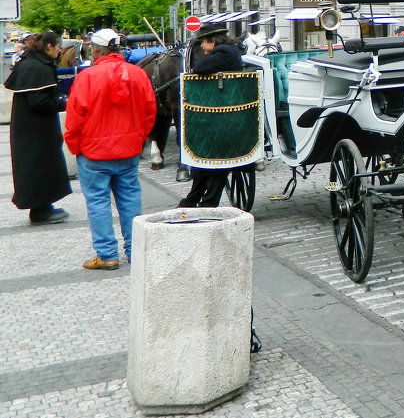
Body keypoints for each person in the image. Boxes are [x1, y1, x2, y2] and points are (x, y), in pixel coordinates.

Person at [64, 28, 156, 269]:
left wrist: (75, 146)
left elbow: (74, 118)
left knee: (97, 202)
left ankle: (107, 255)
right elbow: (149, 112)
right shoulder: (138, 74)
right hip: (128, 149)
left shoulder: (87, 77)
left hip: (93, 151)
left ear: (95, 50)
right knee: (130, 200)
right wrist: (138, 139)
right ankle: (136, 251)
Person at [4, 31, 72, 225]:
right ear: (48, 47)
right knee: (38, 167)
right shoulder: (36, 66)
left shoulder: (33, 62)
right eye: (58, 46)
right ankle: (39, 210)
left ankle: (44, 205)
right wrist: (65, 103)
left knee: (43, 166)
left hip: (34, 128)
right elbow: (39, 101)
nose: (60, 50)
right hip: (35, 130)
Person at [178, 26, 245, 209]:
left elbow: (199, 68)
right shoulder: (228, 51)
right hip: (222, 109)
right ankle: (193, 198)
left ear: (213, 42)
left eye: (203, 43)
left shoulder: (223, 52)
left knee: (215, 159)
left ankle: (208, 202)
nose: (202, 47)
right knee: (203, 159)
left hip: (224, 113)